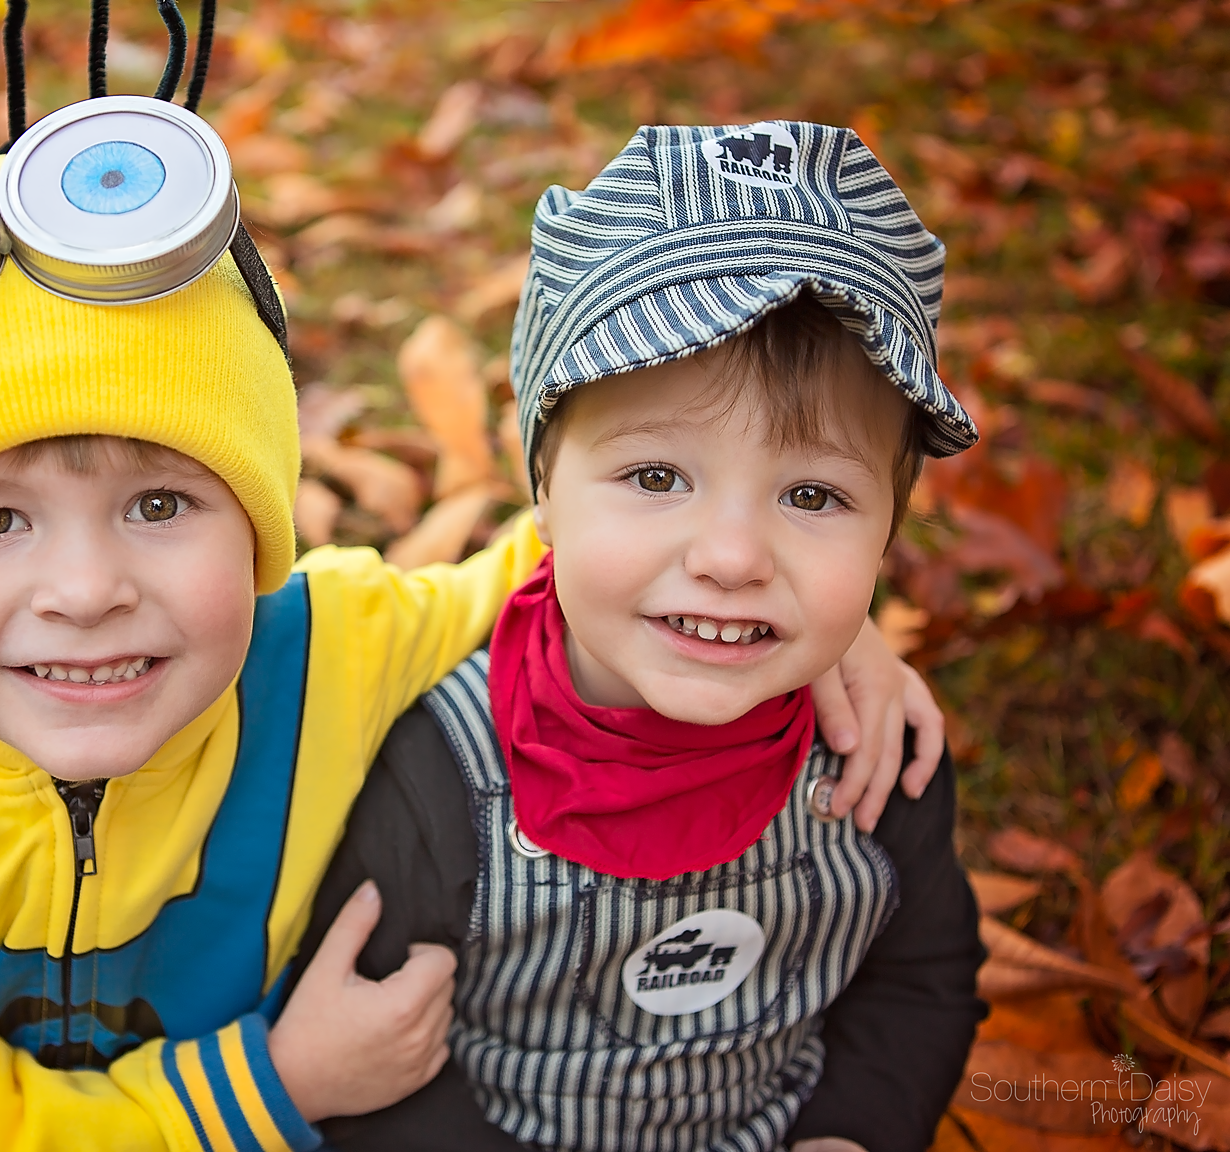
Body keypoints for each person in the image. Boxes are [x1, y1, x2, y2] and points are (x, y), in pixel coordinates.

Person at [0, 108, 950, 1152]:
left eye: (163, 503)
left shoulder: (329, 641)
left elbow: (587, 558)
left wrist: (818, 621)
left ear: (262, 523)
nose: (85, 589)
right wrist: (270, 1087)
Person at [299, 121, 988, 1152]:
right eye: (657, 478)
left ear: (891, 523)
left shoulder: (878, 753)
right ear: (543, 489)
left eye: (813, 493)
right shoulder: (439, 773)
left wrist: (853, 1130)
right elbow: (381, 1060)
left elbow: (920, 977)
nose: (732, 555)